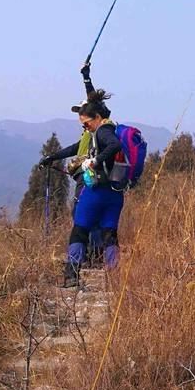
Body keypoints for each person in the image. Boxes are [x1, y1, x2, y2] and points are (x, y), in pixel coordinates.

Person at [39, 75, 124, 288]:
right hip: (115, 192)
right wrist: (53, 157)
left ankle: (71, 276)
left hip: (95, 191)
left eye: (86, 123)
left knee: (79, 229)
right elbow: (79, 146)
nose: (85, 127)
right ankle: (114, 277)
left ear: (96, 116)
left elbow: (113, 146)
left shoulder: (103, 131)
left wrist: (94, 161)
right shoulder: (113, 127)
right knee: (109, 234)